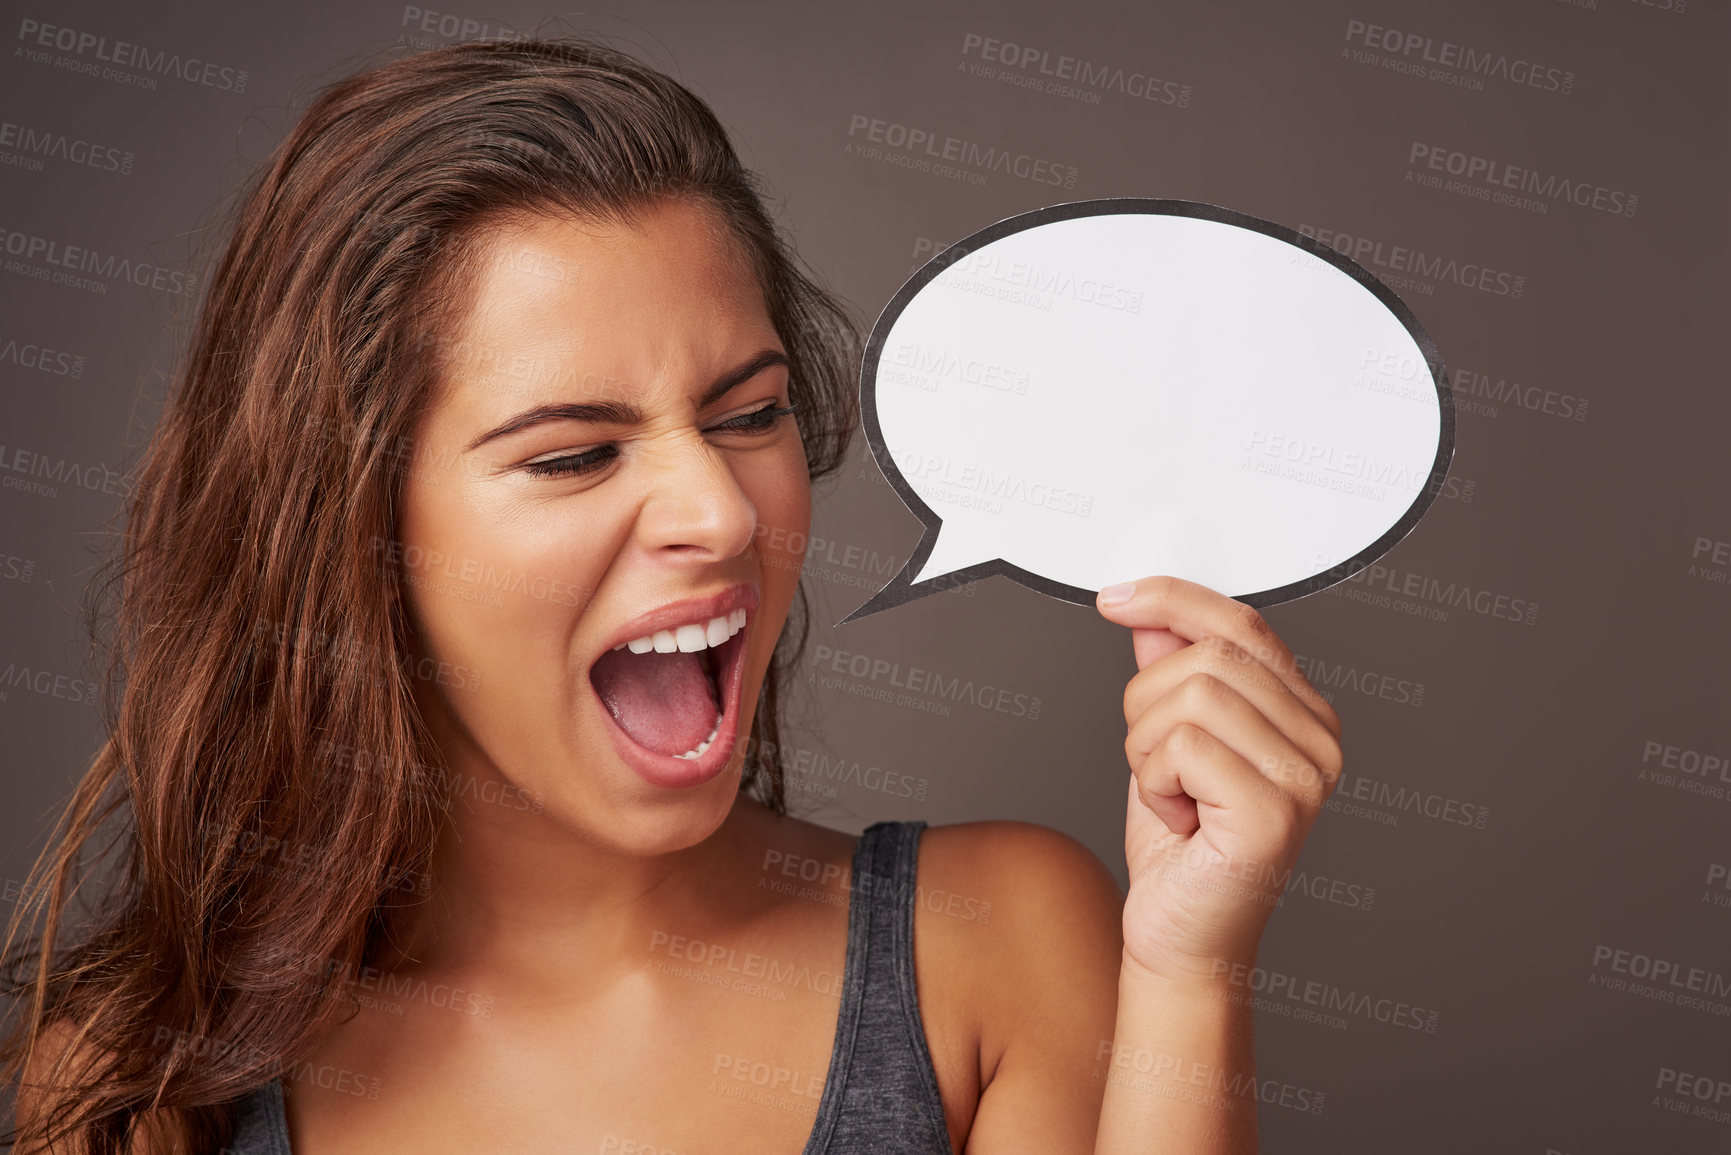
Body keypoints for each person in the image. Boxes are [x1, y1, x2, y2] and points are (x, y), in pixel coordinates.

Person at [1, 36, 1342, 1155]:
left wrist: (1187, 972)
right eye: (575, 453)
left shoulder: (990, 949)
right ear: (351, 526)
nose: (719, 510)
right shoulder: (138, 1081)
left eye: (749, 413)